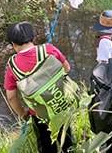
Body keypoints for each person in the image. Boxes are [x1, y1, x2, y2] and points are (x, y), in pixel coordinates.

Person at [4, 21, 73, 153]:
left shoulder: (12, 66)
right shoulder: (49, 50)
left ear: (13, 44)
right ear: (33, 38)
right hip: (60, 105)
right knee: (66, 138)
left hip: (39, 113)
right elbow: (67, 68)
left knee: (45, 144)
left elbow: (11, 96)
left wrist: (23, 114)